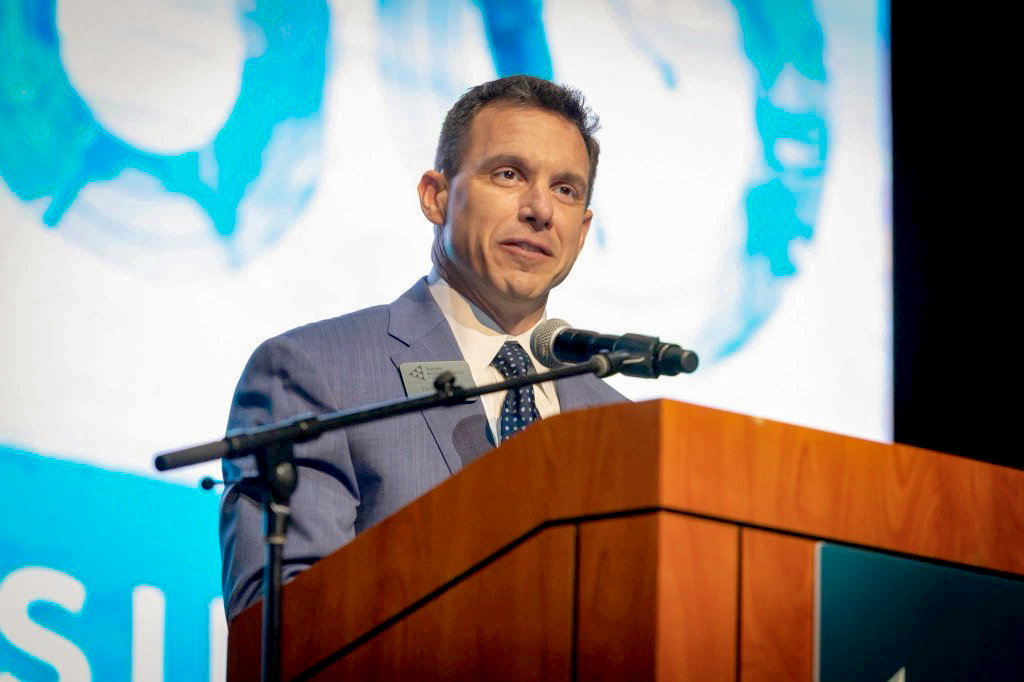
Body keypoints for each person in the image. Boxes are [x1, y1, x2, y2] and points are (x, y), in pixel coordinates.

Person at [220, 75, 625, 621]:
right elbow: (285, 625)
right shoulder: (316, 372)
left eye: (566, 190)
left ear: (582, 230)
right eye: (508, 174)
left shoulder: (622, 426)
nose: (540, 210)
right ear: (435, 197)